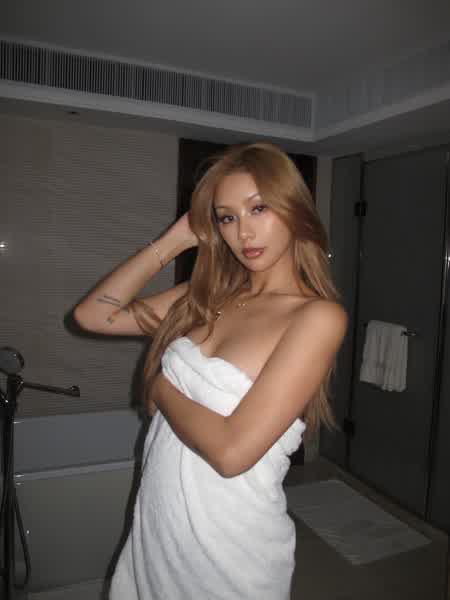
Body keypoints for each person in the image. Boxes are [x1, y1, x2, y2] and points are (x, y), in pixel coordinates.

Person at [74, 142, 348, 599]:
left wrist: (161, 388)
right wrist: (175, 240)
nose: (244, 232)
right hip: (163, 528)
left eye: (259, 208)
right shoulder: (205, 296)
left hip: (230, 543)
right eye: (226, 217)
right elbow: (94, 315)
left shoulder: (316, 317)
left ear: (294, 210)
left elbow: (231, 452)